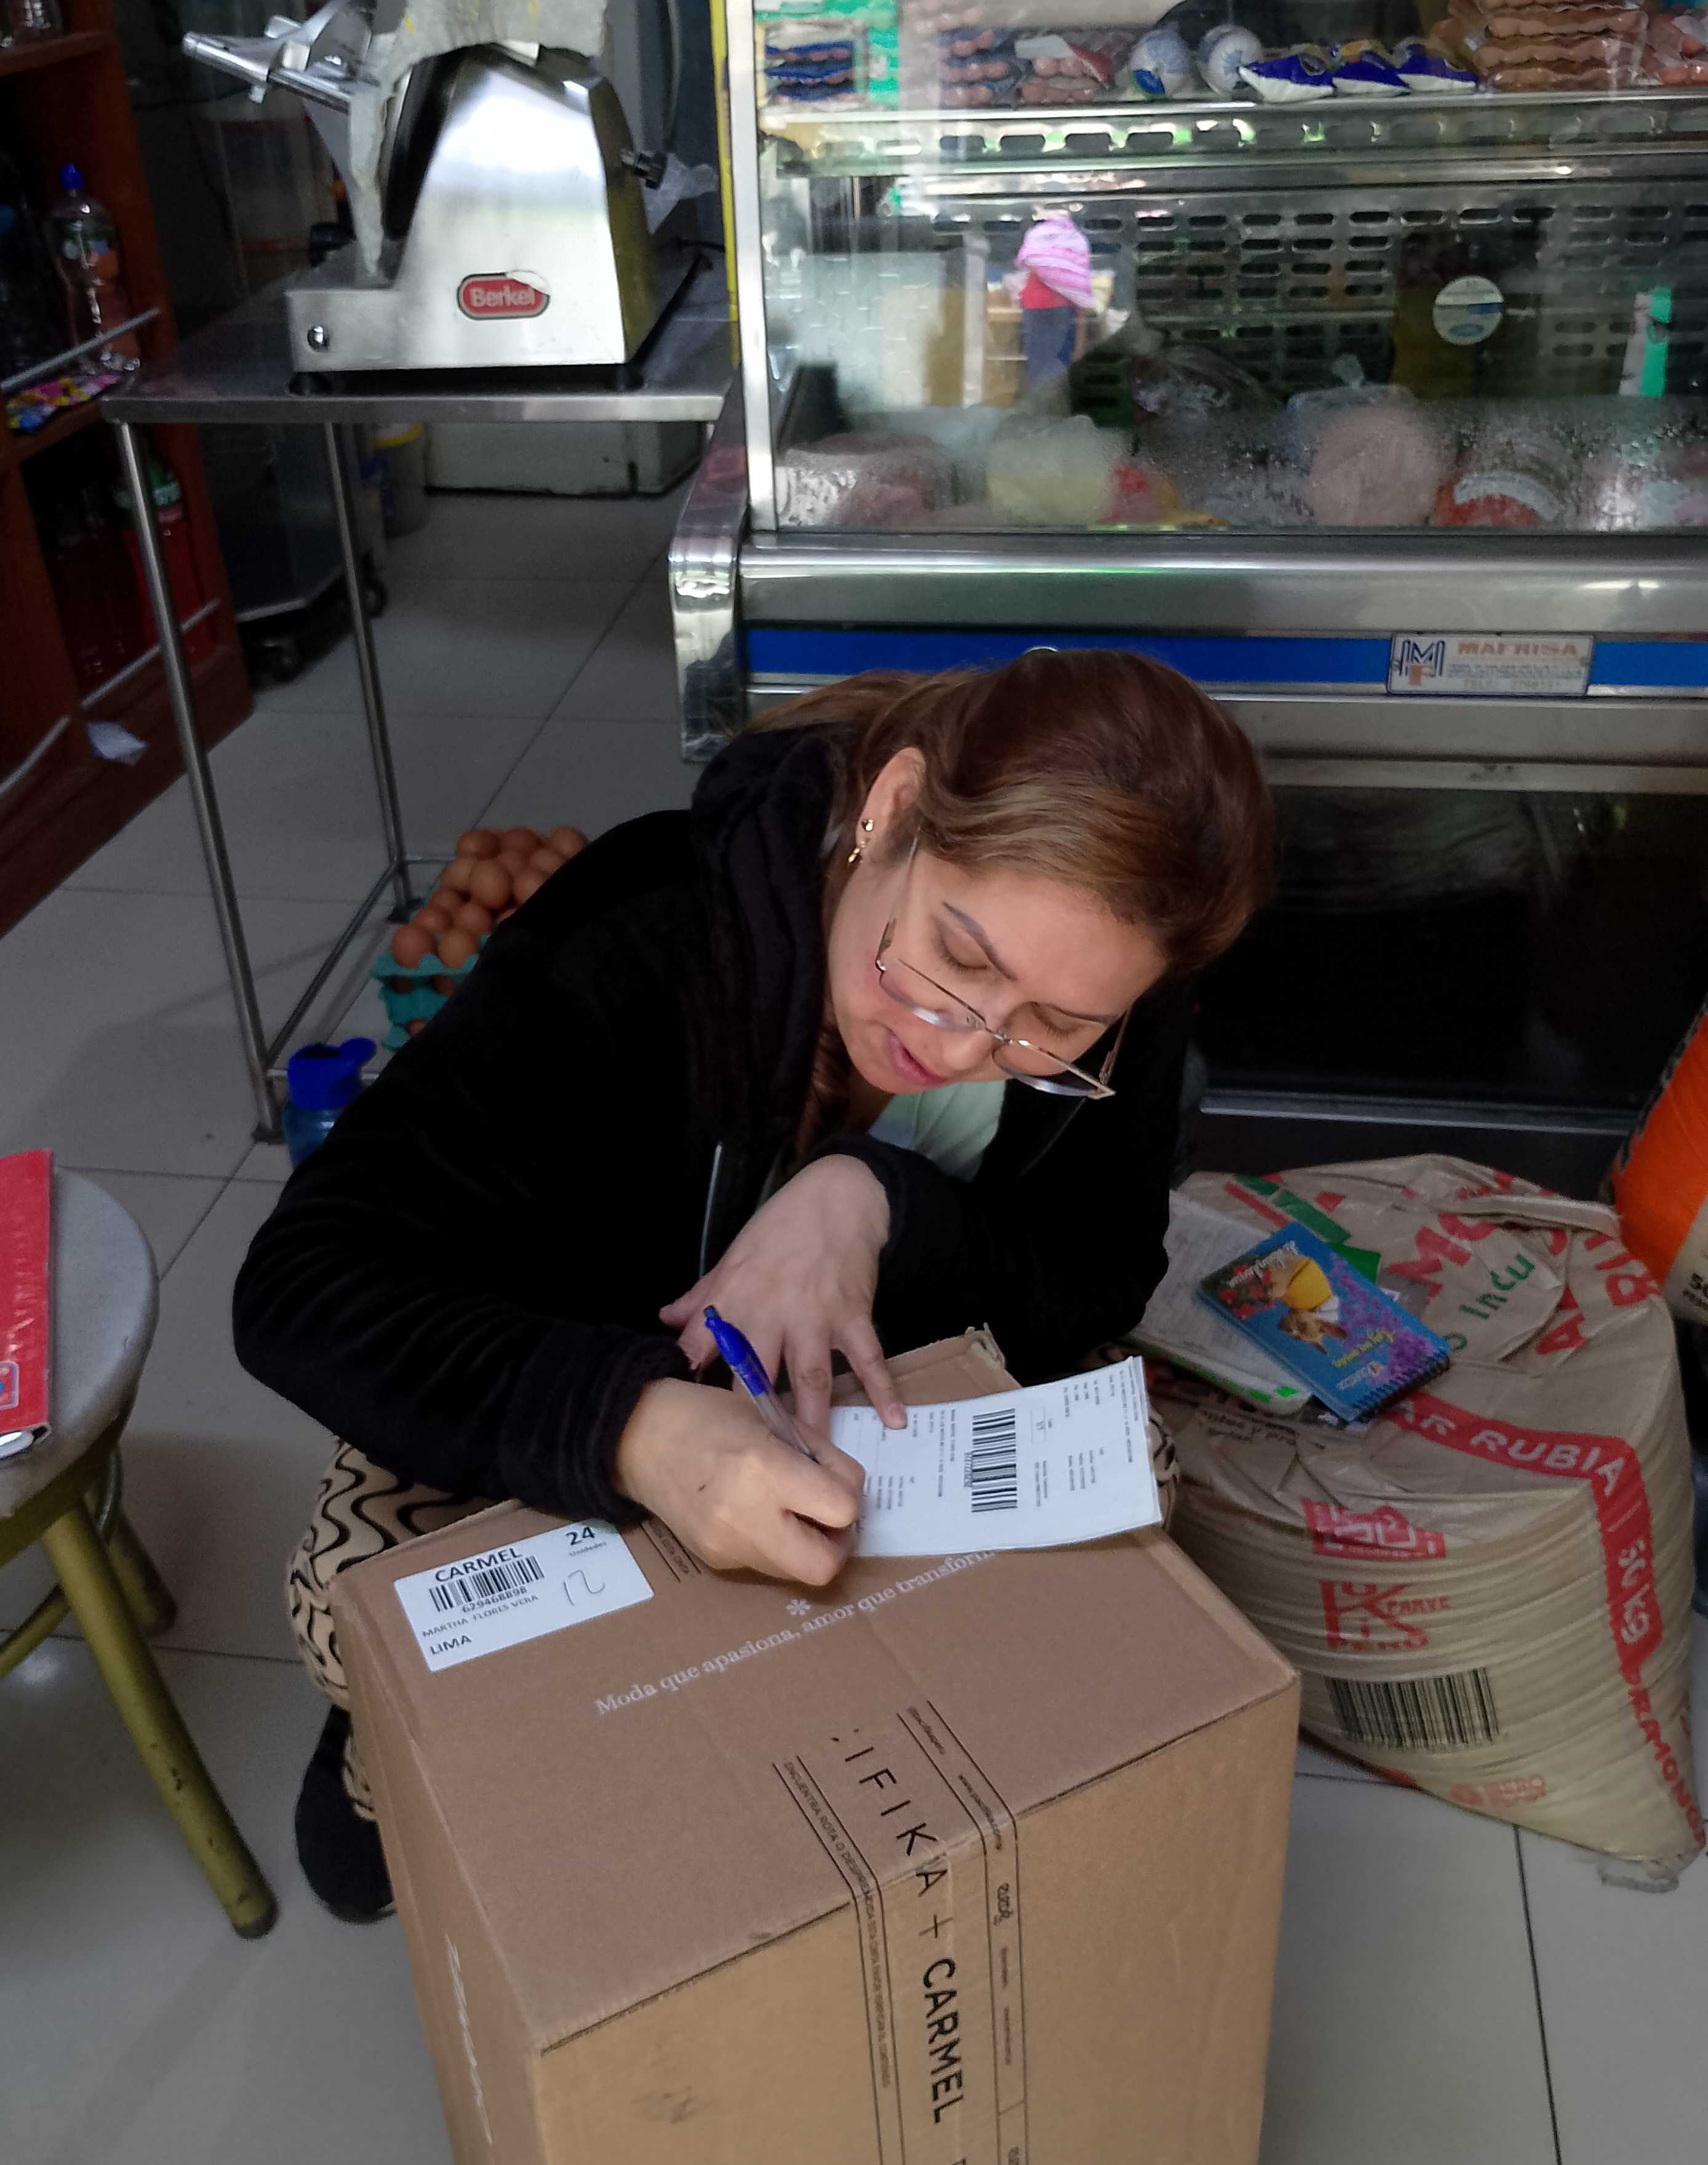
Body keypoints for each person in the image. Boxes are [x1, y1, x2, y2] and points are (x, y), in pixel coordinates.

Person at [233, 649, 1275, 1918]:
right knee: (358, 1648)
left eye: (1051, 1029)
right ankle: (412, 1747)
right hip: (575, 1378)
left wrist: (875, 1201)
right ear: (894, 809)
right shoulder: (638, 934)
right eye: (955, 953)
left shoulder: (1111, 984)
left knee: (1131, 1479)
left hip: (857, 1394)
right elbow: (302, 1280)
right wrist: (635, 1431)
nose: (959, 1044)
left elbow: (1097, 1273)